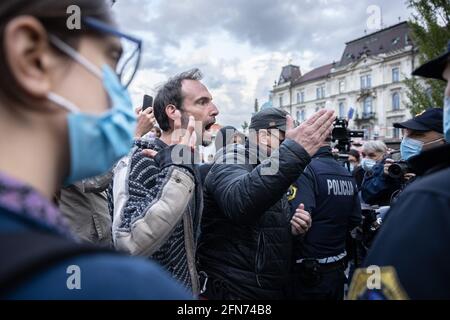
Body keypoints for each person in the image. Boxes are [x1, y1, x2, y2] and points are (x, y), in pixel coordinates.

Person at [0, 0, 190, 299]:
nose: (116, 91)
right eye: (111, 62)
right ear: (33, 58)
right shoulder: (122, 288)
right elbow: (98, 183)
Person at [198, 107, 335, 300]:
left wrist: (291, 229)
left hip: (263, 289)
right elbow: (240, 202)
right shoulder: (233, 157)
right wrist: (293, 152)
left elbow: (262, 227)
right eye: (285, 139)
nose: (290, 144)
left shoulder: (274, 165)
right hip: (233, 290)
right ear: (263, 137)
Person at [348, 40, 450, 300]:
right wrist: (385, 177)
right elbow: (368, 195)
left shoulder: (432, 195)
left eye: (416, 134)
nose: (407, 141)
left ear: (441, 138)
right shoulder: (404, 172)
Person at [110, 69, 218, 296]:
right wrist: (178, 167)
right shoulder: (143, 159)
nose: (215, 110)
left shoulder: (188, 163)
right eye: (202, 102)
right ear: (173, 111)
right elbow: (128, 243)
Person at [288, 137, 361, 300]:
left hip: (308, 272)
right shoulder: (345, 172)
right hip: (337, 268)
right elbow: (356, 219)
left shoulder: (305, 170)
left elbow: (299, 220)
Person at [361, 110, 445, 206]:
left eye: (418, 134)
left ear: (443, 140)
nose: (407, 140)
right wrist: (385, 178)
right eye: (406, 134)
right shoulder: (392, 160)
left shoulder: (444, 170)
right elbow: (366, 196)